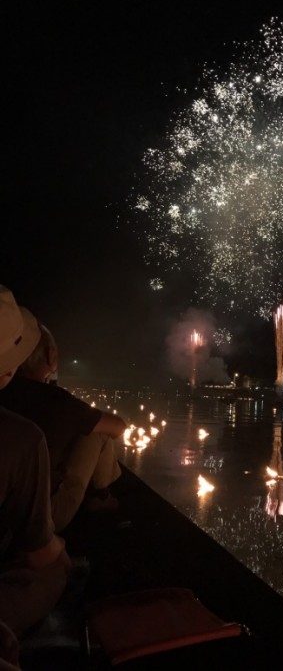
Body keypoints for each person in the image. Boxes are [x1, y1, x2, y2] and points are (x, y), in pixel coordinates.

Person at [0, 285, 70, 668]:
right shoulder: (20, 438)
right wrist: (59, 548)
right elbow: (39, 553)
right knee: (53, 567)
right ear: (7, 370)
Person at [0, 323, 127, 534]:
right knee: (98, 432)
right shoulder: (56, 401)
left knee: (87, 426)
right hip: (40, 520)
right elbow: (118, 427)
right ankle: (102, 496)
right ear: (51, 356)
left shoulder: (6, 390)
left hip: (9, 510)